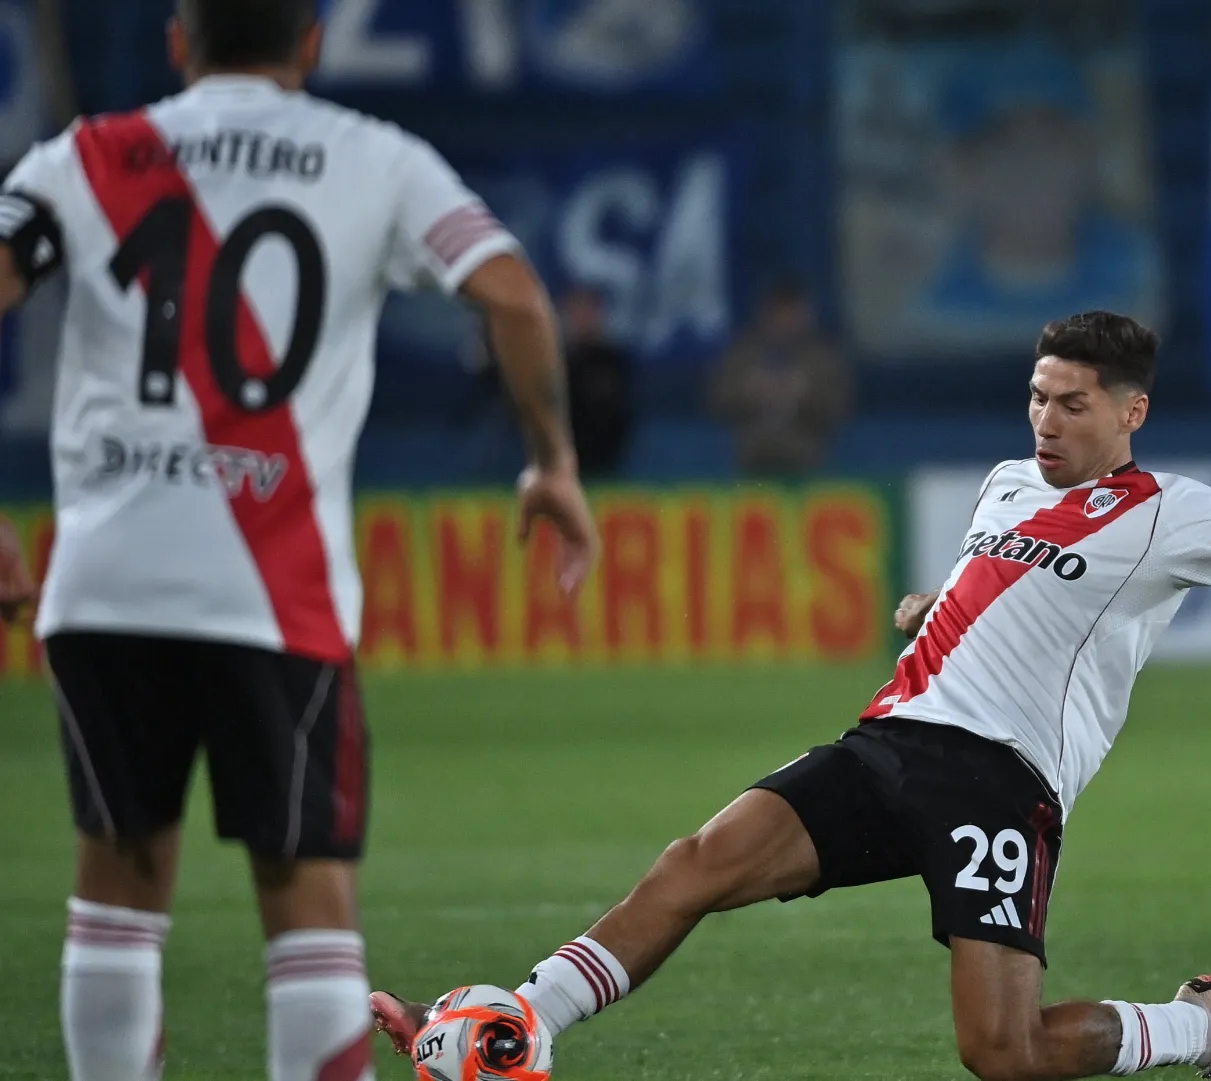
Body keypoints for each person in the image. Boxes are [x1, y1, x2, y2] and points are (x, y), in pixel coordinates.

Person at [374, 310, 1211, 1081]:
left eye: (1074, 404)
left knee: (1003, 1053)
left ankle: (1198, 1027)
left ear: (1131, 412)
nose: (1046, 420)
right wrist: (934, 605)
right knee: (693, 864)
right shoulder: (1006, 483)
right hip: (890, 742)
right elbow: (997, 590)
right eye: (1039, 397)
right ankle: (514, 1023)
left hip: (998, 785)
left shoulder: (1171, 510)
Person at [0, 2, 597, 1079]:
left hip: (104, 581)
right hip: (270, 590)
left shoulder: (86, 157)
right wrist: (550, 458)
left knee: (118, 888)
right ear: (311, 44)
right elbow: (509, 290)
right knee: (305, 896)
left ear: (179, 41)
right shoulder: (376, 159)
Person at [707, 279, 851, 477]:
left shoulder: (823, 359)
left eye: (794, 312)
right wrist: (750, 392)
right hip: (751, 463)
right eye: (781, 312)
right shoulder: (743, 354)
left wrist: (802, 395)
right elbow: (717, 401)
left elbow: (838, 409)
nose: (787, 320)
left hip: (807, 464)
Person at [558, 286, 637, 478]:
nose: (583, 318)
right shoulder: (556, 361)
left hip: (608, 457)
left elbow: (625, 410)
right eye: (577, 311)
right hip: (562, 456)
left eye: (589, 310)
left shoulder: (614, 360)